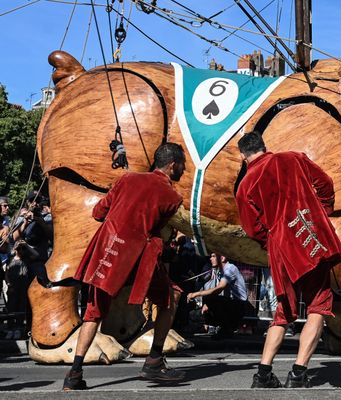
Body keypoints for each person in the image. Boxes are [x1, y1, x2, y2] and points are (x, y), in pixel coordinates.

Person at [62, 143, 187, 391]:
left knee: (93, 313)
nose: (184, 169)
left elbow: (99, 212)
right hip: (138, 257)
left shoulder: (127, 179)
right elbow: (160, 229)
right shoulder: (173, 197)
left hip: (108, 251)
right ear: (172, 165)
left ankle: (74, 374)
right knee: (169, 299)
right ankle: (154, 360)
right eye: (182, 165)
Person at [235, 132, 341, 389]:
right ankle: (298, 372)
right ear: (264, 146)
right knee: (319, 304)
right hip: (309, 234)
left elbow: (252, 228)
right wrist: (321, 212)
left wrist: (272, 239)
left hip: (280, 245)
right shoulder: (292, 158)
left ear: (243, 156)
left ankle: (263, 373)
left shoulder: (245, 185)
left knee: (283, 311)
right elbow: (325, 184)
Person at [187, 253, 248, 339]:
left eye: (213, 256)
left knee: (213, 299)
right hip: (232, 304)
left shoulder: (229, 269)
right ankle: (225, 328)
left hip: (238, 306)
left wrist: (196, 294)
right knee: (211, 300)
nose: (210, 259)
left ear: (222, 258)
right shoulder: (221, 270)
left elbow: (219, 288)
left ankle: (227, 328)